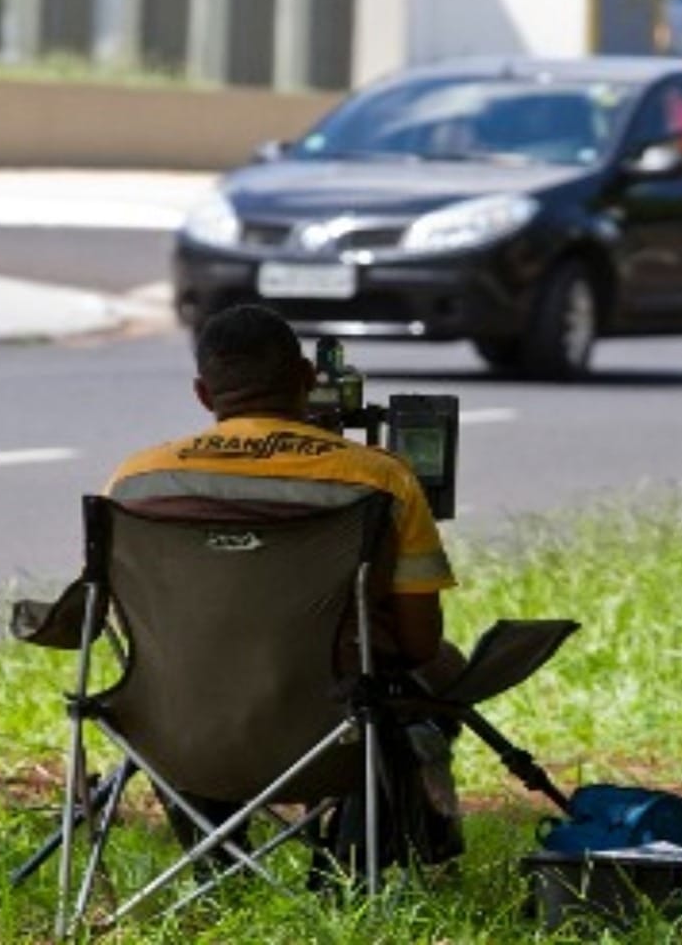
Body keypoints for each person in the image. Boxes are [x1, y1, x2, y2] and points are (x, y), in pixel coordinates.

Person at [104, 303, 464, 863]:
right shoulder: (378, 476)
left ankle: (214, 854)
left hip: (177, 736)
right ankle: (352, 855)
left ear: (203, 393)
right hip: (327, 735)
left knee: (190, 668)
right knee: (441, 666)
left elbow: (132, 622)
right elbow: (418, 642)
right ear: (305, 380)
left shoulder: (137, 480)